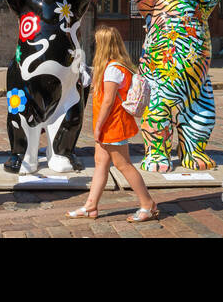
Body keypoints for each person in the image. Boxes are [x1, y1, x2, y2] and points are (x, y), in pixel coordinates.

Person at [65, 25, 159, 222]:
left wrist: (98, 126)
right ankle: (91, 206)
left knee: (123, 164)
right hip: (113, 124)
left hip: (113, 125)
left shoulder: (112, 69)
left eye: (98, 42)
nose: (95, 44)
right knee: (101, 164)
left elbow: (108, 101)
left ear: (104, 45)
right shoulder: (117, 66)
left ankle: (147, 204)